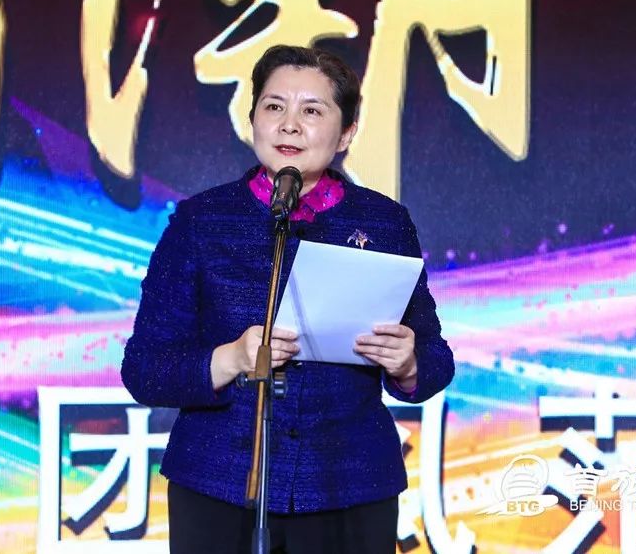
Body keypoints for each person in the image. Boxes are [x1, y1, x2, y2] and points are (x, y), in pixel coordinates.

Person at [121, 44, 454, 554]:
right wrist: (232, 358)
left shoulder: (385, 224)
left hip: (348, 486)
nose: (289, 125)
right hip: (221, 484)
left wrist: (408, 364)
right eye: (274, 106)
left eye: (312, 111)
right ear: (252, 118)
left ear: (347, 133)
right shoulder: (202, 222)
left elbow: (435, 360)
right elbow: (145, 369)